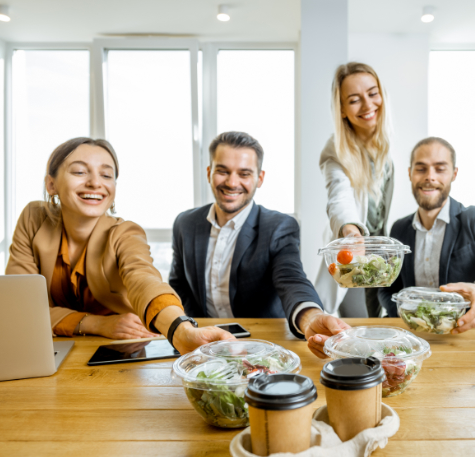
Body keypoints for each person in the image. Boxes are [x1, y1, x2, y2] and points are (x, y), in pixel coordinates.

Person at [6, 137, 234, 354]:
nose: (95, 183)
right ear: (51, 184)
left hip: (119, 350)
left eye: (106, 175)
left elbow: (145, 280)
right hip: (47, 349)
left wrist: (180, 330)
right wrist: (98, 324)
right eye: (79, 172)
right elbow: (18, 307)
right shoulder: (34, 218)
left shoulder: (125, 232)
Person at [169, 131, 349, 358]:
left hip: (262, 347)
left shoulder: (279, 227)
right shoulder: (185, 224)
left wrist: (310, 317)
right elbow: (179, 286)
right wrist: (192, 329)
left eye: (244, 173)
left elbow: (291, 279)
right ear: (209, 173)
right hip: (202, 347)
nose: (232, 182)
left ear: (260, 178)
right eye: (222, 171)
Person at [315, 62, 394, 318]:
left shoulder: (388, 144)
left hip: (386, 260)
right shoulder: (335, 150)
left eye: (372, 93)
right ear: (342, 110)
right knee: (358, 327)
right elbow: (339, 195)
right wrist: (351, 233)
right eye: (354, 100)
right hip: (356, 258)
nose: (368, 105)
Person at [378, 137, 475, 333]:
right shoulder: (398, 229)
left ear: (454, 174)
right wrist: (407, 316)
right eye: (421, 169)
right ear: (410, 173)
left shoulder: (472, 219)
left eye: (440, 169)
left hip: (462, 335)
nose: (430, 177)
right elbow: (386, 288)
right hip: (411, 335)